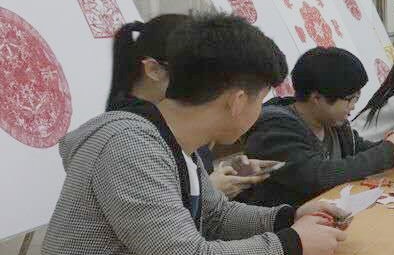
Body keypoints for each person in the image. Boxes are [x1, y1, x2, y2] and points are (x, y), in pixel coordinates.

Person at [14, 14, 345, 255]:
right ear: (237, 101)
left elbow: (216, 217)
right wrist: (292, 244)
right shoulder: (131, 145)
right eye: (260, 101)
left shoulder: (173, 141)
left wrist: (289, 218)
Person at [107, 16, 275, 198]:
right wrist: (208, 191)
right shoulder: (132, 141)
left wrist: (225, 172)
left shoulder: (177, 129)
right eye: (191, 73)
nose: (205, 85)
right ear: (153, 70)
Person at [238, 47, 394, 208]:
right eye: (350, 99)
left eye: (357, 98)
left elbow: (358, 149)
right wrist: (388, 151)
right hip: (288, 224)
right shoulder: (275, 129)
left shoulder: (332, 123)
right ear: (317, 98)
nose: (353, 106)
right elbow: (319, 175)